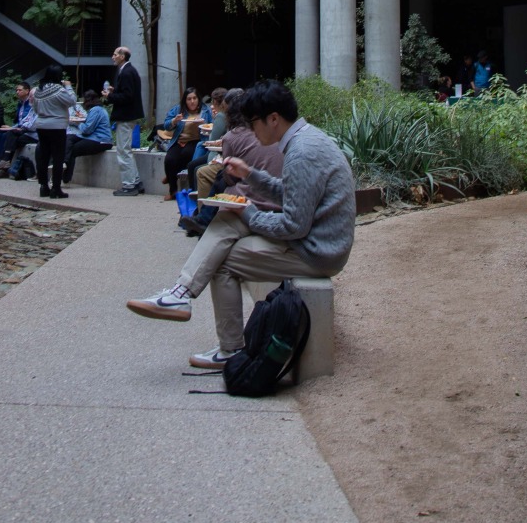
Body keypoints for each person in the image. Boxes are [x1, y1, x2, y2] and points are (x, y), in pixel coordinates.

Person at [127, 79, 356, 371]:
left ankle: (223, 342)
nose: (250, 128)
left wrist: (247, 212)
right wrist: (250, 175)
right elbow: (292, 192)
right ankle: (181, 295)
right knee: (228, 220)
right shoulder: (306, 139)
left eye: (253, 122)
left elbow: (293, 226)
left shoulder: (302, 151)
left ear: (273, 119)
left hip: (317, 251)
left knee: (222, 261)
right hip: (317, 240)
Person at [185, 86, 283, 236]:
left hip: (262, 193)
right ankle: (203, 218)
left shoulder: (236, 134)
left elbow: (231, 176)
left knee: (218, 177)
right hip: (269, 186)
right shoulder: (275, 132)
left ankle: (204, 219)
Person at [32, 64, 77, 198]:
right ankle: (56, 188)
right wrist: (68, 86)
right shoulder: (58, 90)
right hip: (57, 125)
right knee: (58, 157)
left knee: (43, 156)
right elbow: (72, 101)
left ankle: (43, 186)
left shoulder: (38, 90)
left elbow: (35, 108)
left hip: (41, 125)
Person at [109, 46, 144, 195]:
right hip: (128, 116)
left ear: (122, 56)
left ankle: (129, 185)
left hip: (125, 116)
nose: (113, 57)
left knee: (123, 151)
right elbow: (127, 93)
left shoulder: (126, 72)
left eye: (115, 54)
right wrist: (114, 92)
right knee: (126, 150)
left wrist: (110, 96)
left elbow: (127, 96)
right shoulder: (128, 71)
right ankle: (135, 181)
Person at [0, 83, 37, 178]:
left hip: (34, 134)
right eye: (16, 90)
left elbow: (32, 124)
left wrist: (17, 128)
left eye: (32, 96)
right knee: (4, 136)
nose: (17, 92)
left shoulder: (36, 107)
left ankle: (4, 164)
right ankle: (2, 164)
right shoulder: (26, 106)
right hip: (25, 131)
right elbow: (26, 121)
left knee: (10, 136)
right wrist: (15, 127)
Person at [63, 90, 112, 183]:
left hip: (101, 140)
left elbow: (87, 130)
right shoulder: (98, 110)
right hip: (95, 138)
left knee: (73, 150)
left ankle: (66, 176)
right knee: (70, 137)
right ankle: (64, 162)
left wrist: (78, 123)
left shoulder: (96, 110)